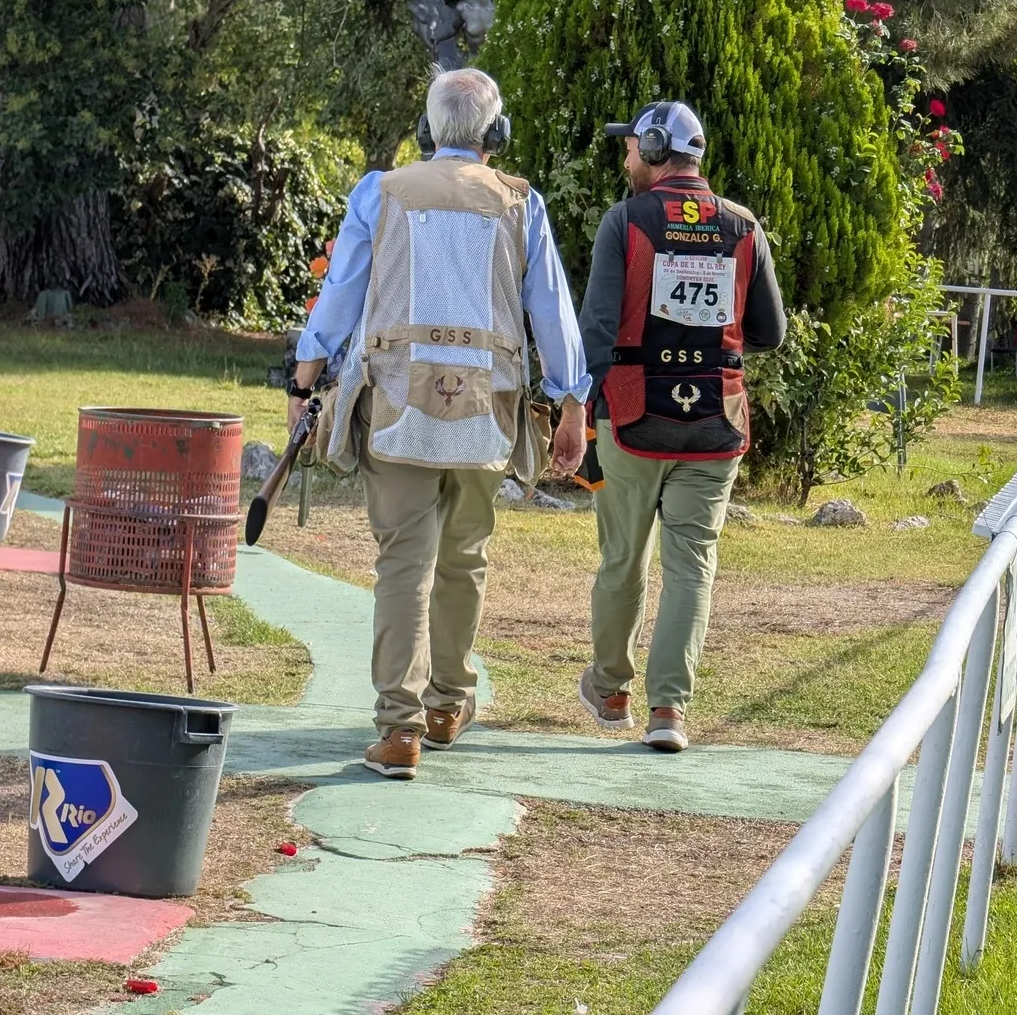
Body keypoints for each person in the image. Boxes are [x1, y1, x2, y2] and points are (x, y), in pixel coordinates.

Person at [290, 68, 589, 779]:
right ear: (496, 135)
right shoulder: (523, 202)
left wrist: (304, 375)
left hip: (397, 406)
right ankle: (449, 703)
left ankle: (398, 727)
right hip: (491, 410)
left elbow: (341, 294)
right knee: (466, 557)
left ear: (426, 131)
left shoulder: (380, 192)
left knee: (403, 562)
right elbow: (553, 309)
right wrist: (573, 400)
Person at [577, 101, 786, 752]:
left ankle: (611, 688)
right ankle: (668, 710)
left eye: (633, 146)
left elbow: (598, 329)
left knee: (622, 559)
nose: (626, 156)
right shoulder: (743, 226)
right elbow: (770, 332)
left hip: (634, 418)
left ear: (659, 148)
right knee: (692, 565)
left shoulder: (626, 220)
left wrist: (578, 406)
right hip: (714, 422)